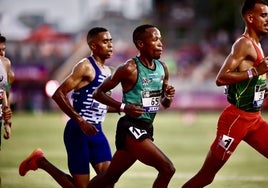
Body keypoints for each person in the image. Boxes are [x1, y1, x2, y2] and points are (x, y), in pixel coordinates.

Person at [182, 0, 268, 187]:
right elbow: (221, 78)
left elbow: (253, 80)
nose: (267, 20)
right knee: (206, 176)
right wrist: (255, 72)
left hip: (254, 120)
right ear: (250, 17)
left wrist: (261, 88)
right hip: (236, 120)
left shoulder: (258, 45)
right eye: (263, 15)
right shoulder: (244, 44)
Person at [19, 27, 115, 188]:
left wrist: (123, 108)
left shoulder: (109, 71)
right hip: (78, 131)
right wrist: (80, 121)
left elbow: (98, 105)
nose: (110, 45)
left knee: (108, 181)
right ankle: (40, 162)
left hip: (97, 131)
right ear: (93, 46)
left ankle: (39, 160)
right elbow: (58, 94)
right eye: (105, 42)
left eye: (111, 41)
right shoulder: (85, 67)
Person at [88, 24, 176, 188]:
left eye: (160, 40)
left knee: (110, 177)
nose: (160, 43)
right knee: (167, 169)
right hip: (130, 127)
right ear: (141, 44)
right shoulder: (129, 68)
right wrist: (123, 107)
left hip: (147, 127)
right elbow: (97, 93)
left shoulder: (162, 68)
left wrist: (168, 96)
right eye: (155, 39)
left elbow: (164, 104)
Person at [0, 33, 14, 143]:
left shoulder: (5, 64)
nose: (1, 53)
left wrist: (7, 122)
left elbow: (5, 89)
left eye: (3, 50)